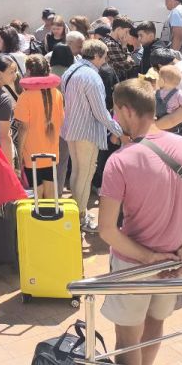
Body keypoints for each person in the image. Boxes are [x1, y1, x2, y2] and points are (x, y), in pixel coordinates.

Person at [98, 79, 182, 365]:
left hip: (134, 263)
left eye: (115, 111)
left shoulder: (120, 161)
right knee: (155, 325)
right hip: (173, 261)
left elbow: (106, 229)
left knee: (127, 338)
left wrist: (148, 257)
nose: (115, 117)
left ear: (127, 110)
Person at [60, 40, 122, 230]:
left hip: (71, 128)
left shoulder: (71, 70)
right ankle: (80, 218)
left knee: (77, 172)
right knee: (85, 175)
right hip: (86, 131)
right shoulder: (92, 77)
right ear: (96, 56)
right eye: (104, 57)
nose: (105, 60)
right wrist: (118, 130)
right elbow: (100, 112)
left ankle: (78, 214)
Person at [14, 55, 64, 198]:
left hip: (31, 153)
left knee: (36, 194)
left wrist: (19, 154)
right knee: (50, 191)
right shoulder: (57, 93)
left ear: (29, 71)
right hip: (52, 151)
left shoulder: (25, 97)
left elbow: (23, 128)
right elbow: (61, 120)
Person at [101, 17, 138, 82]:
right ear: (118, 29)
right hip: (113, 81)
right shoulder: (111, 44)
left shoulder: (114, 41)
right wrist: (126, 51)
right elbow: (127, 67)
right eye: (126, 31)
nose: (127, 34)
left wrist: (124, 46)